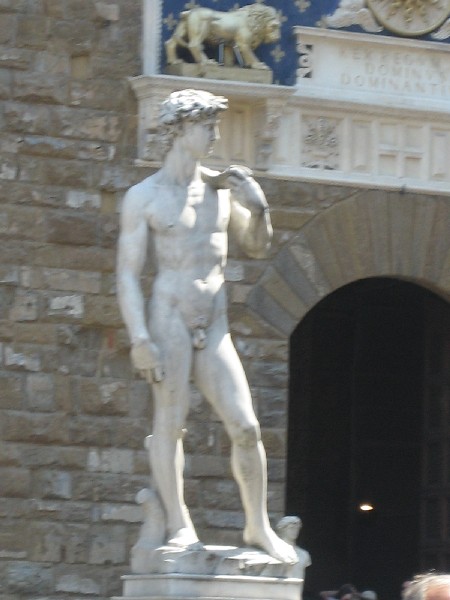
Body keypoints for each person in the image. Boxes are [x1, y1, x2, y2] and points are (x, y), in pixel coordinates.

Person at [116, 88, 297, 565]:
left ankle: (258, 526)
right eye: (207, 126)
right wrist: (139, 338)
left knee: (246, 426)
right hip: (168, 318)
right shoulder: (144, 197)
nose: (215, 135)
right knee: (170, 423)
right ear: (179, 129)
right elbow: (128, 274)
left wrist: (258, 207)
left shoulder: (222, 191)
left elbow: (256, 246)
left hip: (213, 324)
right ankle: (179, 526)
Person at [276, 516, 311, 587]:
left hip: (297, 590)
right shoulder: (275, 552)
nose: (295, 531)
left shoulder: (304, 554)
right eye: (291, 528)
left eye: (297, 528)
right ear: (282, 529)